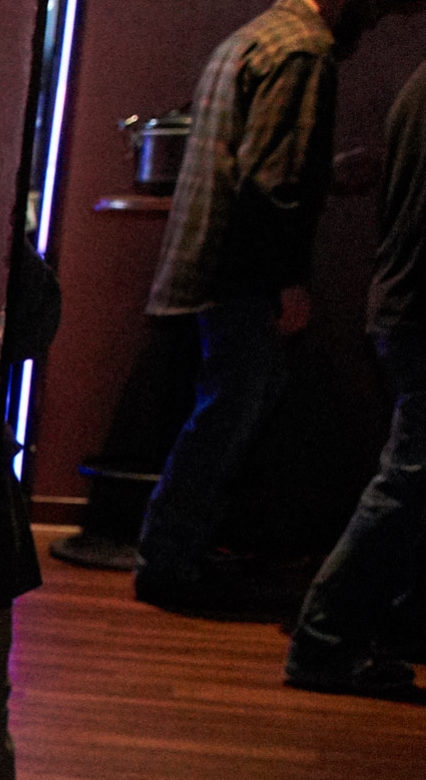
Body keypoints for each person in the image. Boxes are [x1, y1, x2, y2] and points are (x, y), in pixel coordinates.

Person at [134, 0, 425, 612]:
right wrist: (288, 282)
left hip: (214, 265)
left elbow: (256, 166)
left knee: (222, 415)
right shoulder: (304, 51)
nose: (374, 22)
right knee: (227, 419)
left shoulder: (260, 37)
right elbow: (270, 188)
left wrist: (326, 174)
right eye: (374, 9)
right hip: (244, 277)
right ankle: (169, 562)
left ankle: (171, 554)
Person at [284, 54, 426, 695]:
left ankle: (381, 626)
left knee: (410, 482)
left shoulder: (416, 81)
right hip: (418, 310)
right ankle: (322, 641)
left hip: (401, 304)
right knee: (407, 483)